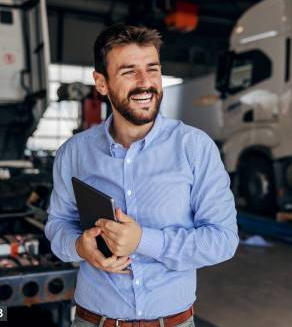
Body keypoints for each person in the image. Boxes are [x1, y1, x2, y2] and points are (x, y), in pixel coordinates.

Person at [45, 24, 239, 327]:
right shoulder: (74, 153)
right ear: (101, 83)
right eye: (128, 72)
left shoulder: (194, 147)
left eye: (152, 69)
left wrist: (143, 241)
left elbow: (223, 240)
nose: (145, 83)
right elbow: (57, 225)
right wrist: (78, 246)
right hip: (93, 320)